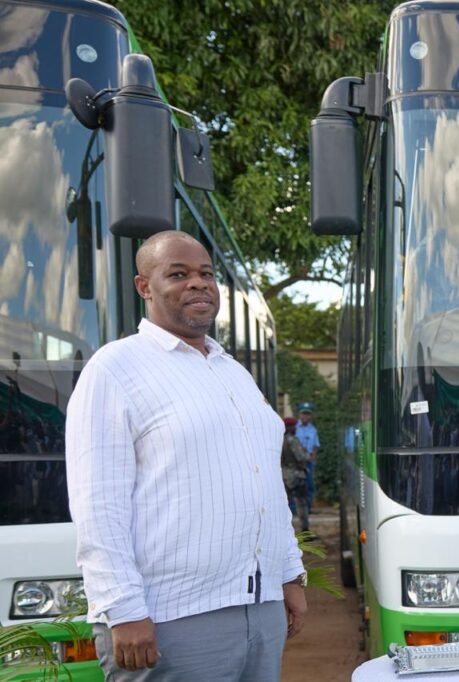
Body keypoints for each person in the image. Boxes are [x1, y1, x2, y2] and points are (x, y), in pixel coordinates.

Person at [65, 231, 307, 681]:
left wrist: (289, 574)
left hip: (259, 609)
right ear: (144, 286)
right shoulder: (114, 369)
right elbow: (98, 505)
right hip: (168, 618)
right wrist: (122, 609)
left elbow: (265, 483)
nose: (198, 283)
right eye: (178, 274)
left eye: (206, 274)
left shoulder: (233, 372)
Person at [282, 416, 311, 532]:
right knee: (301, 503)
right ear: (290, 427)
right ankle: (305, 530)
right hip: (297, 475)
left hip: (283, 476)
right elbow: (301, 457)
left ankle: (285, 530)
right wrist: (307, 455)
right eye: (294, 426)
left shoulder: (279, 440)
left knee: (285, 504)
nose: (295, 428)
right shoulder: (292, 440)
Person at [294, 402, 319, 515]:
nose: (305, 416)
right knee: (295, 485)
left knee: (309, 485)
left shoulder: (313, 429)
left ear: (310, 415)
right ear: (299, 414)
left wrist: (313, 458)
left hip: (308, 462)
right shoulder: (294, 428)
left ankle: (308, 508)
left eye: (307, 414)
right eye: (303, 413)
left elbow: (315, 446)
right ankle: (294, 509)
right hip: (296, 462)